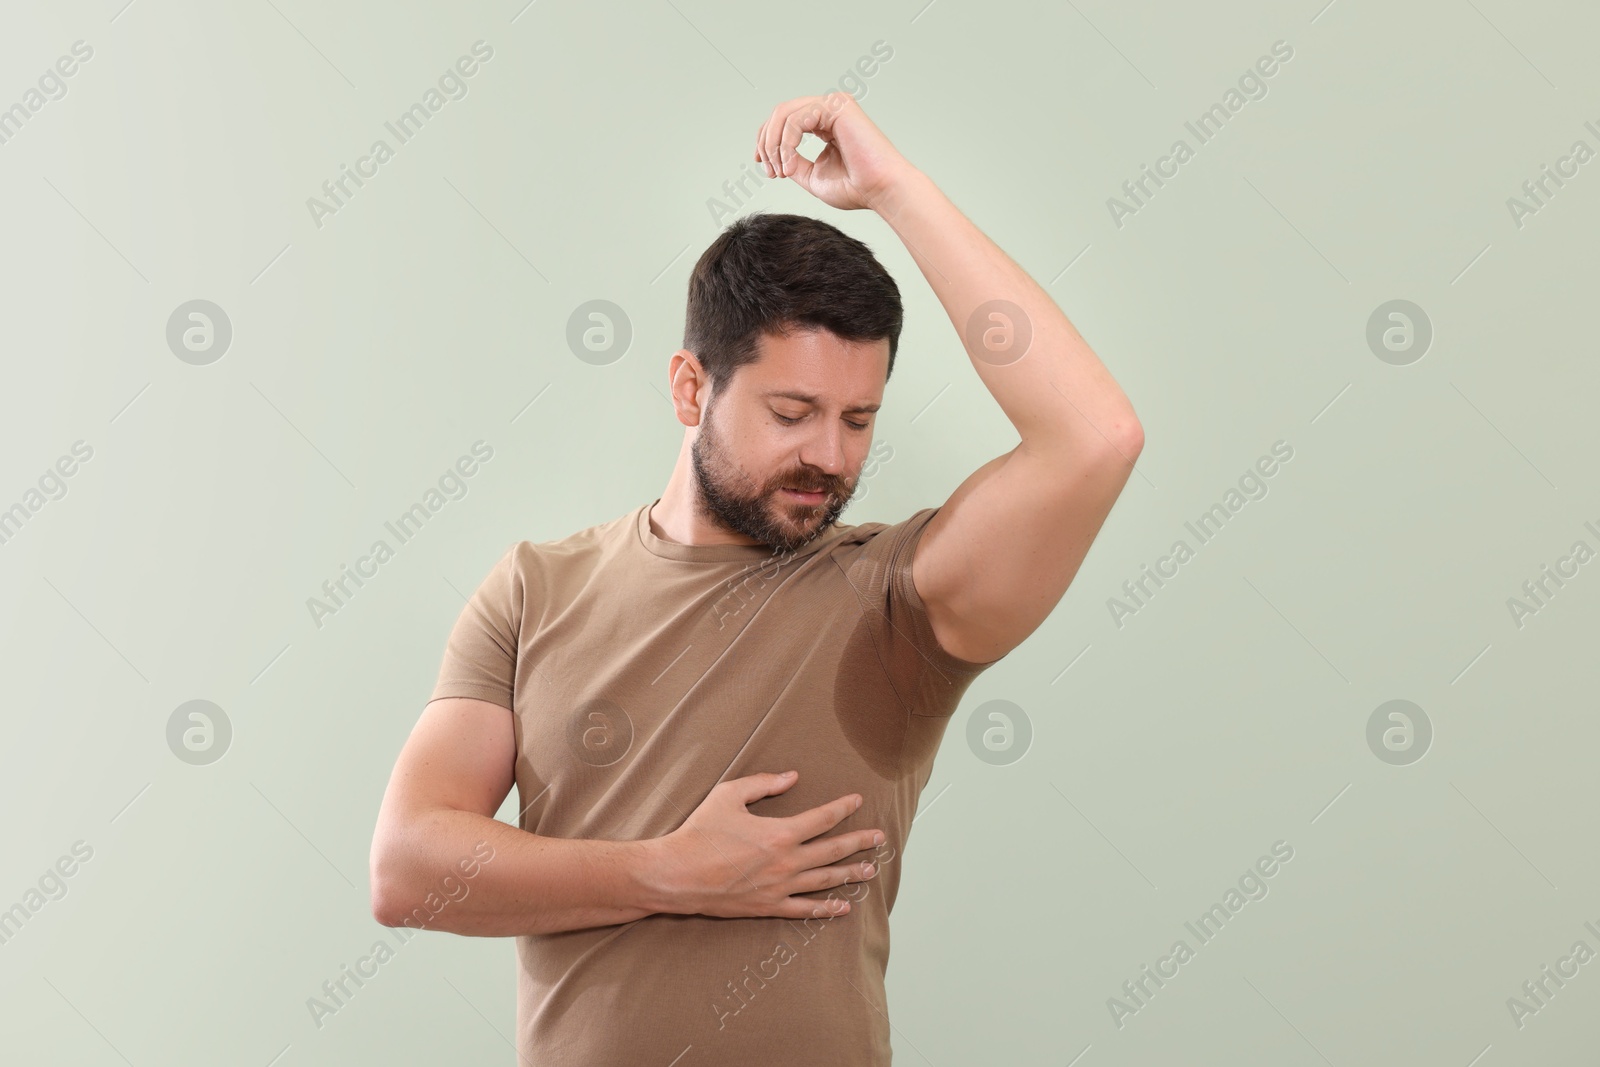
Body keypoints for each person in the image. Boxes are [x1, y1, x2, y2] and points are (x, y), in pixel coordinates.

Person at [369, 91, 1143, 1064]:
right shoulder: (534, 587)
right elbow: (407, 867)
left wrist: (897, 191)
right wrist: (665, 872)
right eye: (791, 411)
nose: (829, 453)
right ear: (692, 387)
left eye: (858, 419)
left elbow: (1094, 439)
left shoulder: (895, 600)